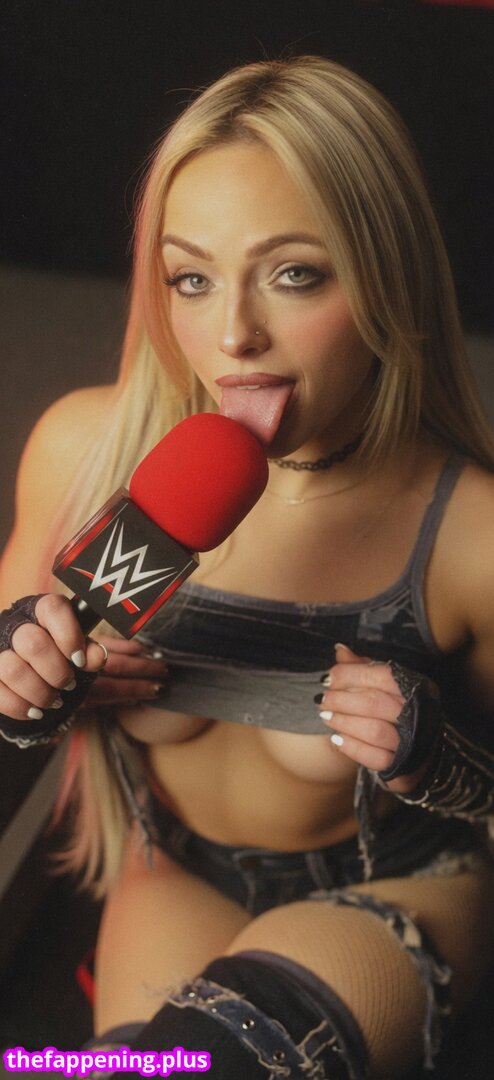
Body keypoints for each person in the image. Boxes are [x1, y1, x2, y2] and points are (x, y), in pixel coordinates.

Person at [0, 56, 493, 1079]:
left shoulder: (468, 536)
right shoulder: (83, 452)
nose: (233, 335)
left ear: (385, 278)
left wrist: (428, 753)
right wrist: (30, 682)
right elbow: (7, 700)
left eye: (293, 273)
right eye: (192, 278)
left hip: (384, 892)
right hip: (174, 875)